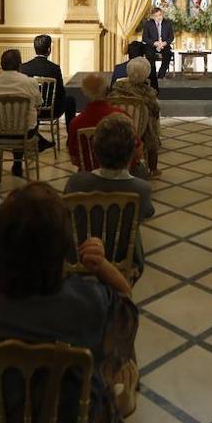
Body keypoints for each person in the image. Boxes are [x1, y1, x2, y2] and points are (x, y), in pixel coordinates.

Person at [0, 182, 138, 423]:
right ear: (63, 251)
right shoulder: (89, 302)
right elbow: (127, 309)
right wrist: (103, 266)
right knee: (110, 380)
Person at [64, 113, 155, 276]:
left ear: (95, 150)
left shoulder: (75, 183)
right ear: (131, 153)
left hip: (81, 257)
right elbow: (147, 213)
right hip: (121, 258)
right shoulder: (142, 189)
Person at [0, 49, 54, 176]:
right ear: (19, 65)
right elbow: (39, 103)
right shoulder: (30, 82)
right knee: (25, 121)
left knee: (14, 121)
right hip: (25, 132)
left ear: (1, 64)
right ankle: (18, 162)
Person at [113, 57, 161, 177]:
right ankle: (153, 168)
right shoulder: (148, 95)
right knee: (153, 124)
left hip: (117, 129)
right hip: (141, 132)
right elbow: (155, 110)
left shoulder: (117, 89)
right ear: (146, 75)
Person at [68, 73, 127, 170]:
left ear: (84, 92)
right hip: (119, 173)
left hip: (89, 175)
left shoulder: (76, 123)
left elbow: (74, 158)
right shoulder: (122, 116)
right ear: (107, 89)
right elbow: (136, 151)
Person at [21, 33, 76, 130]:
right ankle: (70, 134)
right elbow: (60, 91)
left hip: (30, 109)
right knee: (70, 100)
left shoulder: (24, 68)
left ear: (35, 48)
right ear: (49, 50)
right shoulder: (54, 68)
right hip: (52, 110)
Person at [140, 7, 174, 81]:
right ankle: (152, 75)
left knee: (168, 54)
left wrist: (164, 43)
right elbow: (144, 38)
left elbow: (171, 37)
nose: (158, 17)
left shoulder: (167, 23)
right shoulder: (148, 24)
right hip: (152, 45)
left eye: (160, 15)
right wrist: (155, 43)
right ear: (152, 16)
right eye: (156, 16)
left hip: (164, 45)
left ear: (162, 15)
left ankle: (161, 75)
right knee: (149, 54)